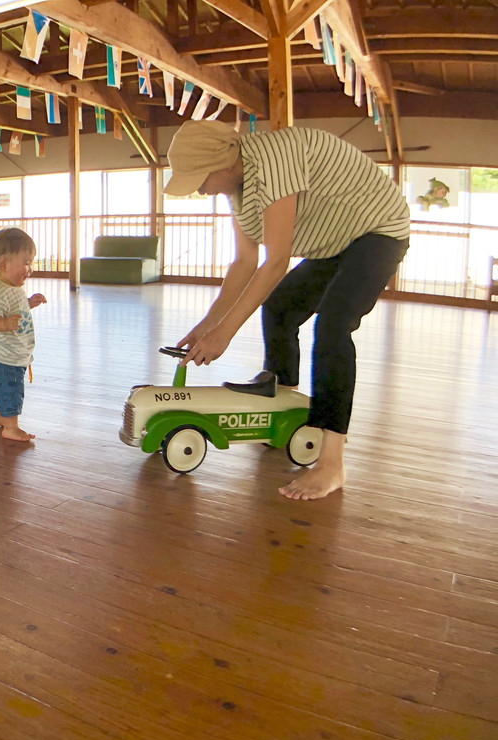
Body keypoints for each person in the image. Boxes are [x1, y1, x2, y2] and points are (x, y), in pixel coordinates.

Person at [166, 120, 410, 500]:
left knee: (333, 326)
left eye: (199, 178)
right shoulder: (238, 187)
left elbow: (276, 261)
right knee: (280, 306)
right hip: (334, 243)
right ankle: (281, 400)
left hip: (378, 231)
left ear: (224, 163)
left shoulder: (274, 158)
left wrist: (225, 335)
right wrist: (206, 326)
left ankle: (332, 463)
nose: (198, 188)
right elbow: (244, 263)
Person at [0, 228, 47, 442]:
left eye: (31, 262)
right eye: (26, 263)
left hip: (9, 354)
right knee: (11, 389)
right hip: (3, 357)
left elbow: (15, 310)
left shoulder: (13, 288)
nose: (30, 269)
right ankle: (10, 427)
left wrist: (28, 304)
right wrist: (5, 324)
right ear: (4, 265)